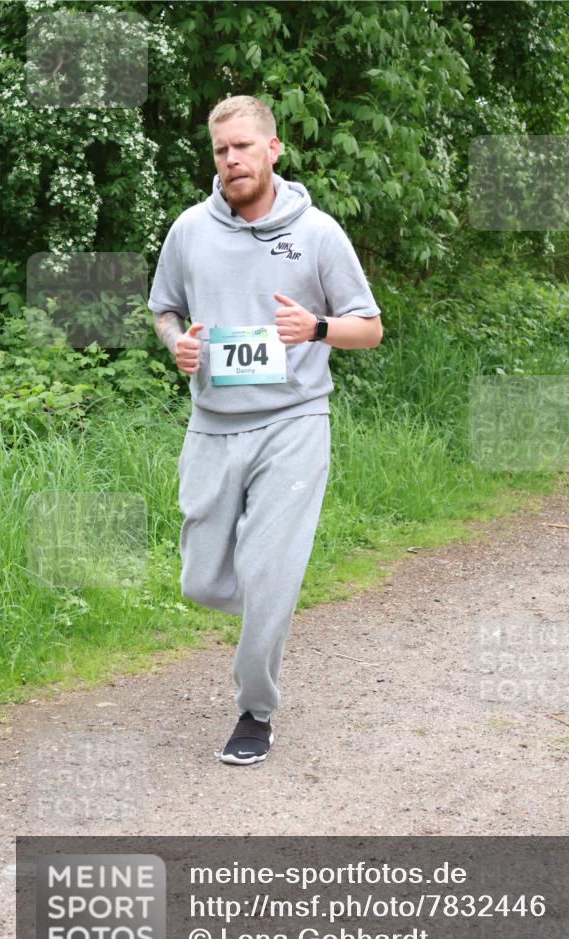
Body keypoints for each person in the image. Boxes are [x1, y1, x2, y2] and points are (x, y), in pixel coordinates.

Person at [148, 94, 382, 765]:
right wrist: (176, 345)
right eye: (222, 150)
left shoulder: (318, 234)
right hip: (213, 425)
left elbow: (368, 327)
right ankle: (265, 591)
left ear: (273, 148)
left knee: (270, 572)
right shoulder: (190, 229)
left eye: (244, 147)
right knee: (201, 580)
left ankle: (255, 711)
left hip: (293, 422)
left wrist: (315, 328)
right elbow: (163, 309)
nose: (232, 160)